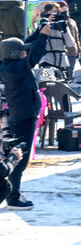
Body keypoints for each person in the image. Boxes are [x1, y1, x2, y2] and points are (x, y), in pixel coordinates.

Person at [0, 24, 50, 209]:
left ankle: (14, 194)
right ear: (15, 54)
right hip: (23, 117)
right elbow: (34, 56)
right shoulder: (16, 69)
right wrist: (43, 37)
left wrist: (38, 32)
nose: (24, 53)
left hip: (22, 115)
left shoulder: (10, 65)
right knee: (19, 159)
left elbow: (25, 48)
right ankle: (13, 197)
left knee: (19, 157)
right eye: (21, 52)